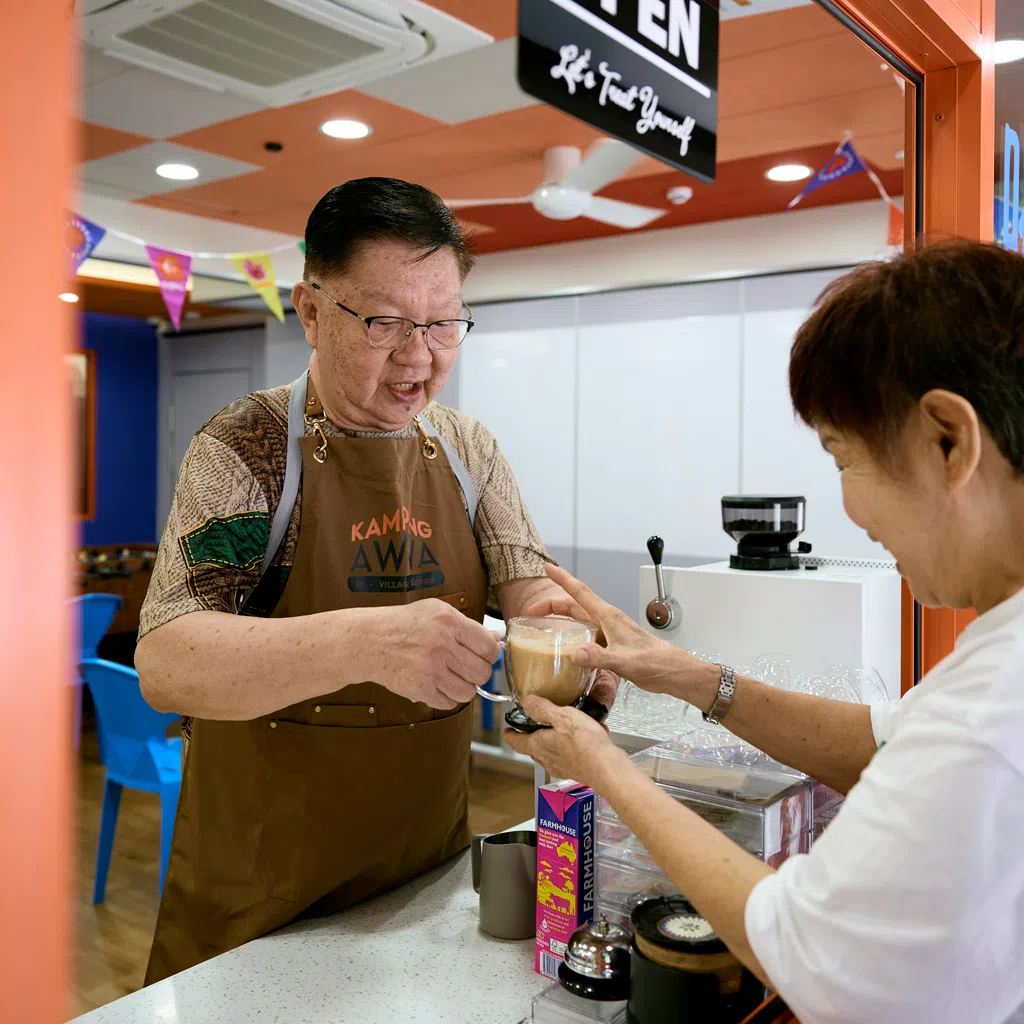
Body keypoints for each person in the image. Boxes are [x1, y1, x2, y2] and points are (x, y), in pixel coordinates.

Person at [506, 241, 1024, 1024]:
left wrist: (602, 768)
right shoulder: (995, 659)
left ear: (948, 439)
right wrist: (687, 675)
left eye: (843, 459)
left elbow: (799, 943)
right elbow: (878, 742)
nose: (852, 510)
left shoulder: (990, 713)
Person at [136, 177, 614, 983]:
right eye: (387, 321)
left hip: (423, 874)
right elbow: (166, 661)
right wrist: (368, 640)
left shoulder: (469, 450)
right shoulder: (246, 448)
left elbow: (526, 584)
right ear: (313, 312)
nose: (419, 357)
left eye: (443, 324)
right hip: (262, 893)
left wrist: (561, 628)